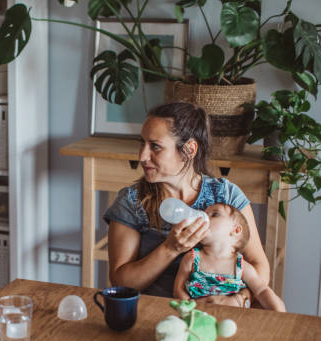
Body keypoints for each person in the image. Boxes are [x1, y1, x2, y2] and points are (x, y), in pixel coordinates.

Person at [104, 102, 270, 308]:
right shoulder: (132, 201)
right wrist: (170, 248)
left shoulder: (226, 195)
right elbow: (121, 282)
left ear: (189, 149)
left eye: (155, 146)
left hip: (224, 312)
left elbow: (259, 266)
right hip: (155, 312)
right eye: (142, 143)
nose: (142, 156)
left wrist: (238, 299)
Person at [173, 204, 285, 311]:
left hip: (232, 318)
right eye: (204, 214)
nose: (204, 218)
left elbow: (261, 290)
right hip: (196, 316)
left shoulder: (241, 266)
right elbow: (178, 290)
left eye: (214, 214)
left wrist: (278, 311)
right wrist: (192, 307)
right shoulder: (191, 259)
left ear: (235, 230)